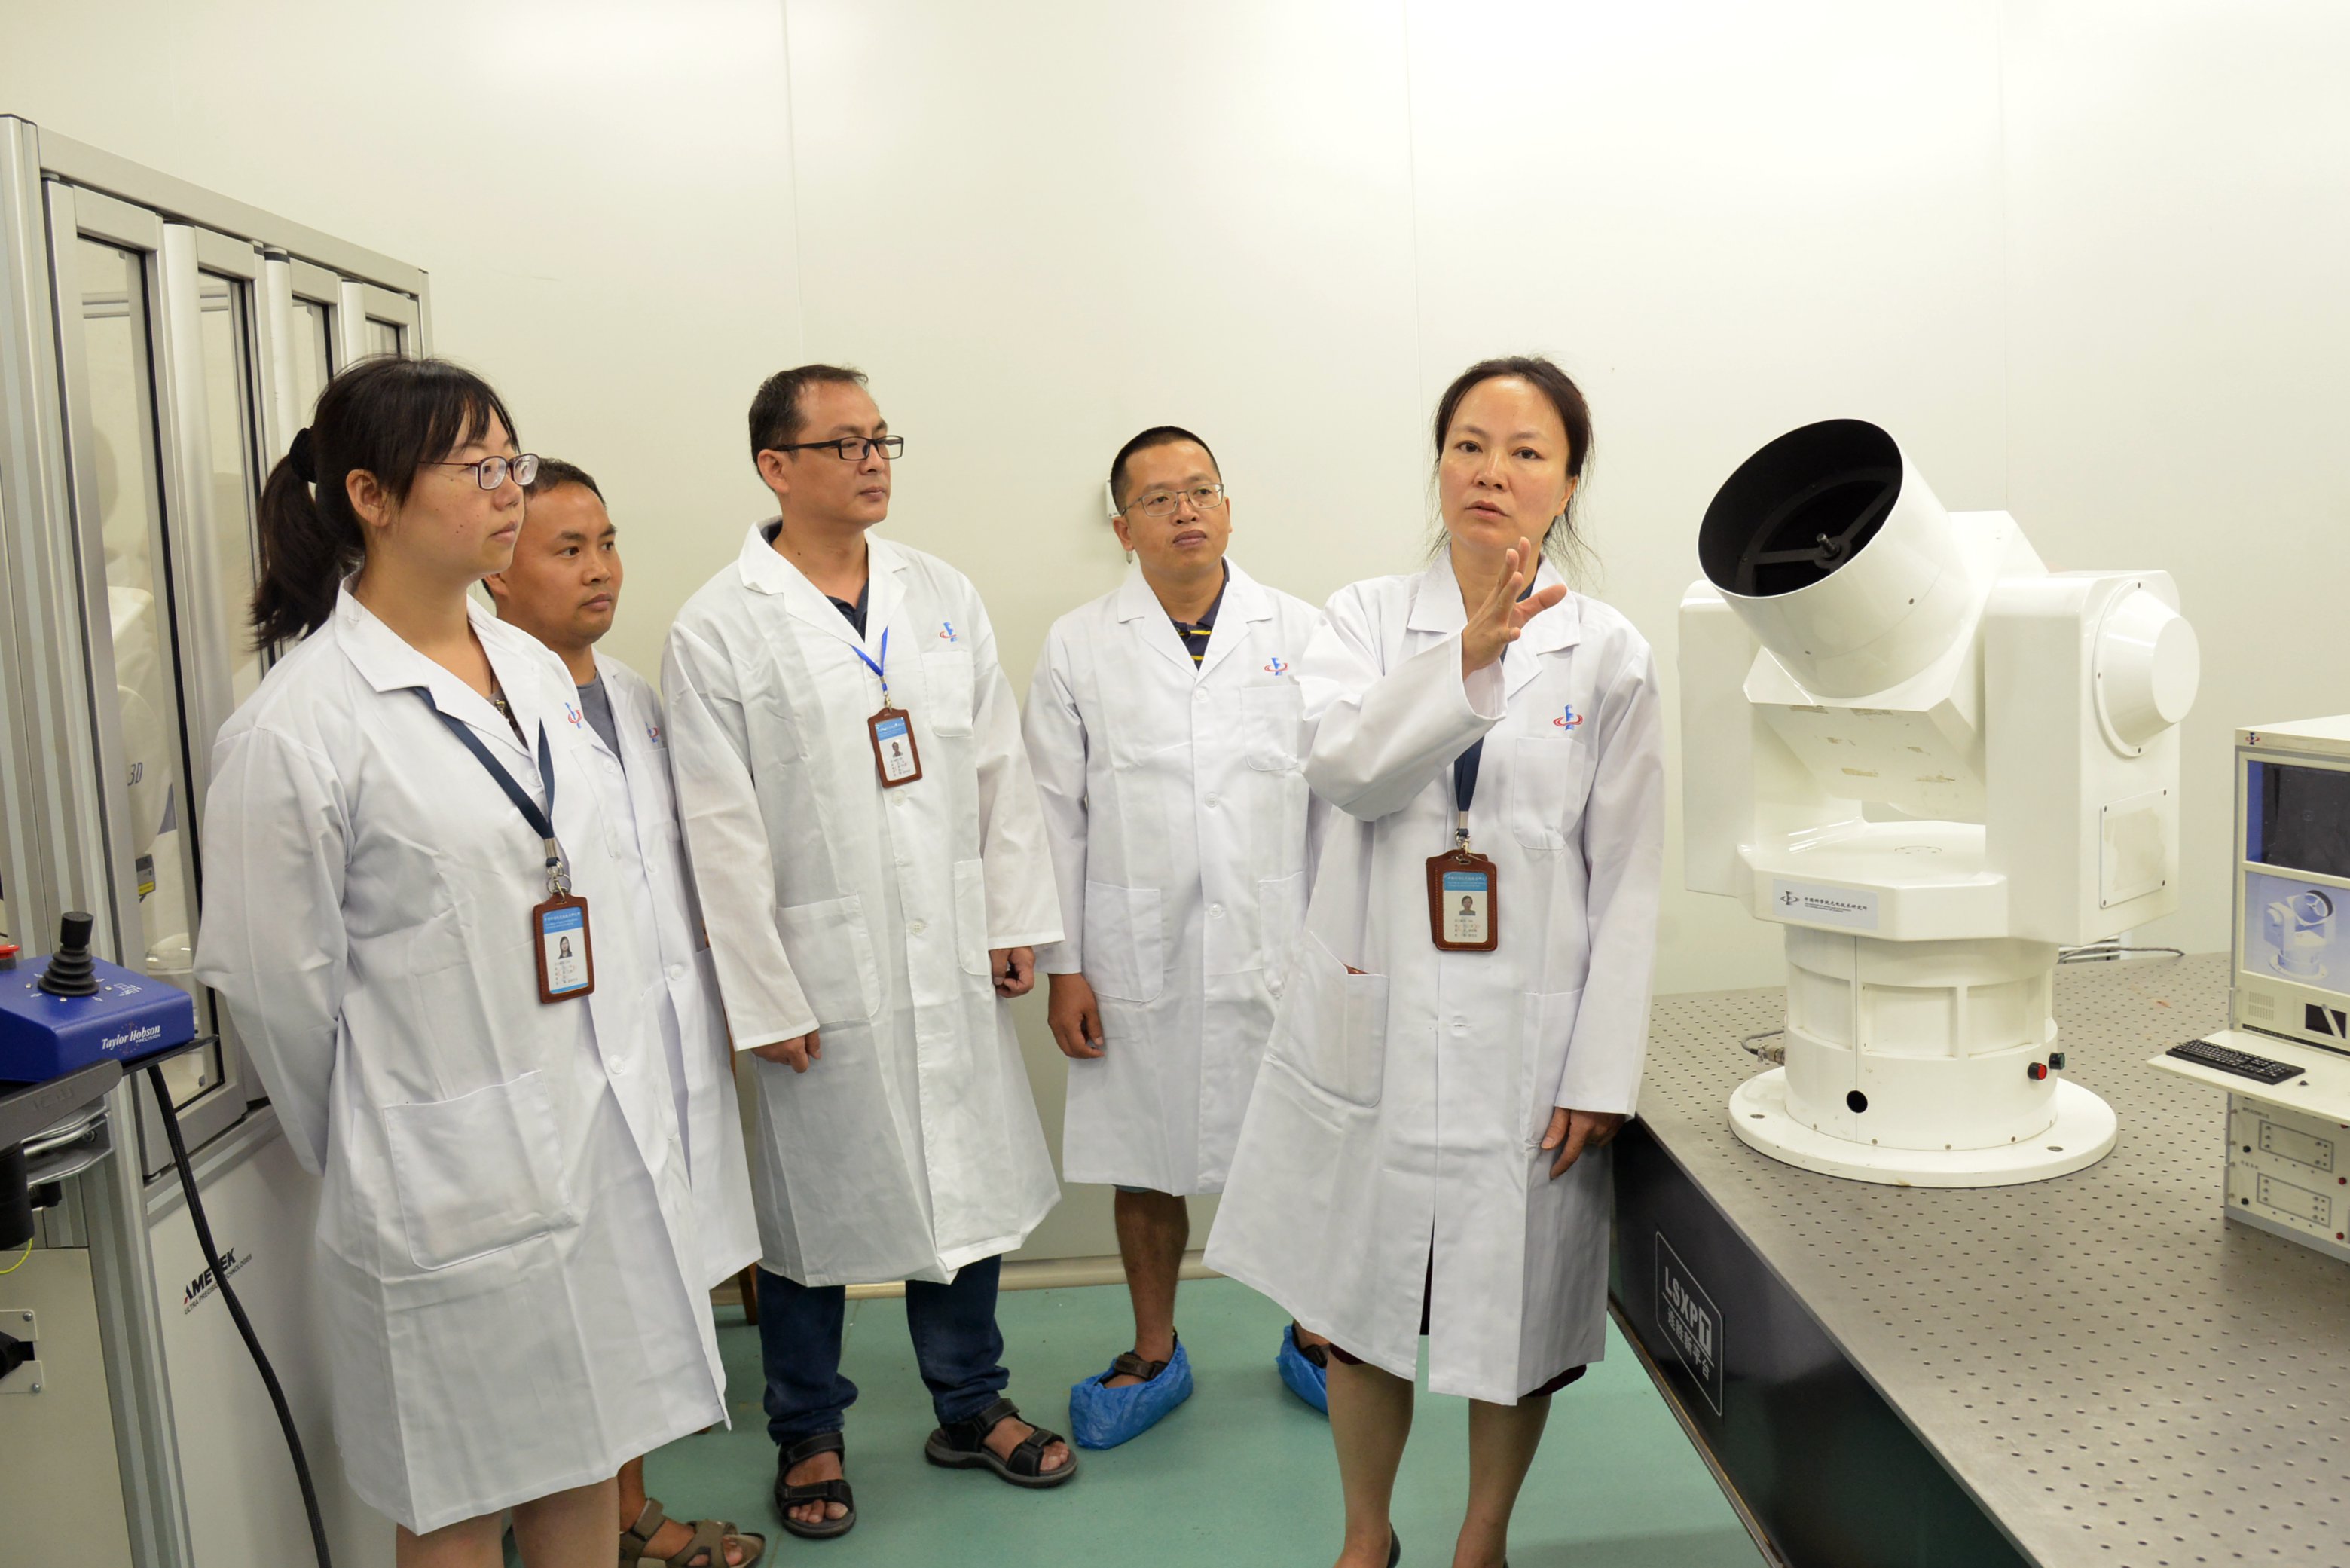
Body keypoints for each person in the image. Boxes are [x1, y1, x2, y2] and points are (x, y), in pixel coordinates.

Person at [193, 358, 726, 1567]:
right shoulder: (297, 729)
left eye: (510, 462)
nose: (507, 491)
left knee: (587, 1450)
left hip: (597, 1141)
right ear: (371, 496)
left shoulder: (533, 670)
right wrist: (412, 1135)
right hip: (443, 1181)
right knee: (459, 1499)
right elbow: (281, 997)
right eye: (477, 467)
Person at [1204, 356, 1664, 1568]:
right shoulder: (1363, 620)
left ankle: (1482, 1536)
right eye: (1469, 444)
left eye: (1526, 451)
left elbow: (1630, 872)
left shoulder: (1609, 653)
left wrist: (1600, 1071)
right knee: (1361, 1306)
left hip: (1531, 1040)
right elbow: (1347, 768)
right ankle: (1367, 1534)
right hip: (1384, 1020)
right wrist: (1467, 654)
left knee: (1515, 1320)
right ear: (1440, 464)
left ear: (1568, 481)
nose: (1492, 471)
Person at [662, 364, 1075, 1539]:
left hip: (946, 944)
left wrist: (1010, 915)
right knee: (815, 1207)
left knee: (964, 1180)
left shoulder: (940, 592)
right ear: (775, 466)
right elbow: (720, 826)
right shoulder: (718, 624)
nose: (872, 460)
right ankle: (808, 1428)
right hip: (817, 967)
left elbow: (996, 765)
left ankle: (971, 1402)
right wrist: (763, 993)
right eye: (844, 443)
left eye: (882, 438)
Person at [1022, 425, 1333, 1445]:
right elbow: (1053, 816)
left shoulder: (1302, 632)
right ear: (1124, 528)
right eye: (1158, 498)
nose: (1185, 510)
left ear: (1229, 509)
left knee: (1303, 1147)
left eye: (1201, 490)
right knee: (1143, 1155)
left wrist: (1344, 952)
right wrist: (1065, 968)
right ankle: (1154, 1347)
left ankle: (1316, 1333)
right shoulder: (1079, 645)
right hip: (1134, 952)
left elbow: (1337, 807)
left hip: (1282, 945)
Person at [484, 457, 765, 1568]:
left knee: (647, 1291)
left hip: (661, 1040)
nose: (601, 568)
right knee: (593, 1305)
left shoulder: (636, 698)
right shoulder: (491, 710)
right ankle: (594, 1522)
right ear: (497, 571)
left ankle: (624, 1512)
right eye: (569, 550)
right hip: (569, 1059)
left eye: (607, 543)